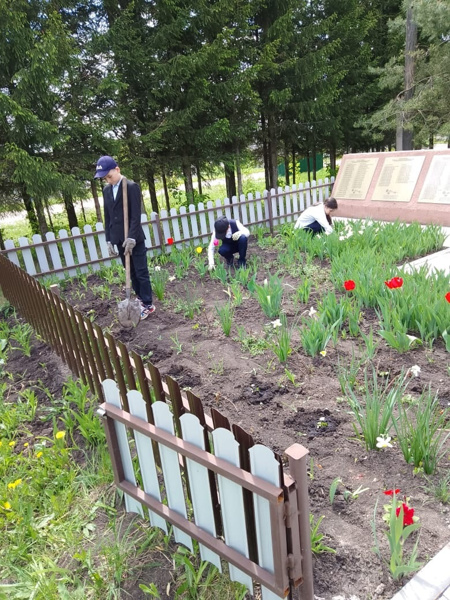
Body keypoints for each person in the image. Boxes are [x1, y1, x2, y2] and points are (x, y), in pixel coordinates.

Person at [94, 155, 155, 320]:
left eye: (109, 176)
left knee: (141, 271)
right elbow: (108, 217)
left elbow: (136, 216)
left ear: (117, 170)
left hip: (134, 239)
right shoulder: (107, 190)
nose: (108, 180)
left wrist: (132, 238)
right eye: (105, 178)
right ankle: (140, 299)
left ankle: (148, 305)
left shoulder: (131, 187)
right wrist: (109, 239)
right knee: (131, 272)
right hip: (119, 239)